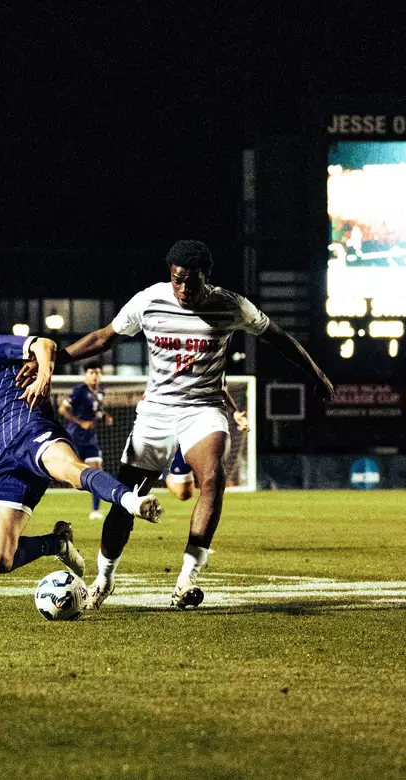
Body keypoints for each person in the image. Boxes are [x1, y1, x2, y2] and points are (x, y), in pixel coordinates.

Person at [47, 239, 333, 610]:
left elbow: (277, 336)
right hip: (156, 412)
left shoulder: (230, 305)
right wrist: (52, 359)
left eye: (191, 281)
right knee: (126, 500)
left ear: (206, 277)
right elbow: (104, 337)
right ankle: (104, 577)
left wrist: (316, 372)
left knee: (212, 477)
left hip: (204, 409)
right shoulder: (149, 300)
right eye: (177, 280)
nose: (183, 289)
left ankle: (186, 580)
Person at [0, 316, 163, 577]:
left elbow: (45, 344)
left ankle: (132, 502)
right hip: (3, 472)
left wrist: (43, 377)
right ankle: (57, 543)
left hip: (31, 435)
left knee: (72, 470)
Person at [164, 391, 248, 500]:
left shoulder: (212, 383)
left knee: (212, 481)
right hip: (185, 430)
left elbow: (221, 390)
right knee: (184, 494)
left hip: (210, 427)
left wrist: (234, 413)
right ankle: (168, 476)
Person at [59, 361, 112, 519]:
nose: (94, 376)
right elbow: (62, 409)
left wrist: (105, 416)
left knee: (96, 472)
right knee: (69, 474)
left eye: (97, 372)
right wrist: (80, 422)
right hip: (75, 436)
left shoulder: (101, 391)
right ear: (86, 375)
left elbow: (97, 410)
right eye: (91, 373)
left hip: (90, 438)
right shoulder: (80, 391)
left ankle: (95, 510)